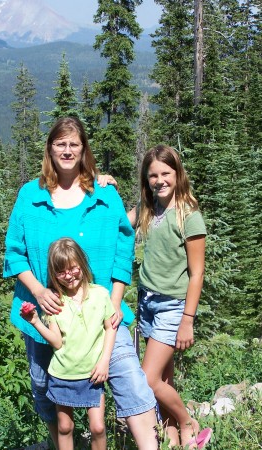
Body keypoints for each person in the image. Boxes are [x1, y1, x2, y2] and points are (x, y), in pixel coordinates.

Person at [3, 116, 157, 450]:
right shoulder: (31, 195)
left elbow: (122, 249)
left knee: (132, 384)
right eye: (61, 143)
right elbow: (14, 253)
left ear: (84, 149)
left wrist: (114, 303)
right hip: (50, 316)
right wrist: (39, 290)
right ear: (50, 148)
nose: (68, 150)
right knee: (46, 392)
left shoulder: (103, 194)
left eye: (75, 144)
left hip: (103, 316)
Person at [128, 145, 208, 449]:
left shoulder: (188, 215)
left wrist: (187, 320)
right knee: (164, 380)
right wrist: (103, 185)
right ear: (146, 179)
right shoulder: (149, 207)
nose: (159, 180)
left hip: (172, 307)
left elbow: (197, 273)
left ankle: (188, 421)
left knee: (148, 380)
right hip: (148, 303)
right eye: (153, 175)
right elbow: (121, 222)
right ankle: (173, 439)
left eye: (165, 173)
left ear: (177, 174)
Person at [21, 237, 116, 450]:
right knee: (64, 426)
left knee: (98, 427)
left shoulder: (100, 294)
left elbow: (111, 327)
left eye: (73, 268)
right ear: (54, 275)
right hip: (63, 375)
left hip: (93, 374)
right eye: (61, 272)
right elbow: (56, 341)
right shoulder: (56, 303)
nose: (68, 275)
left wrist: (104, 362)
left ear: (82, 264)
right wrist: (35, 321)